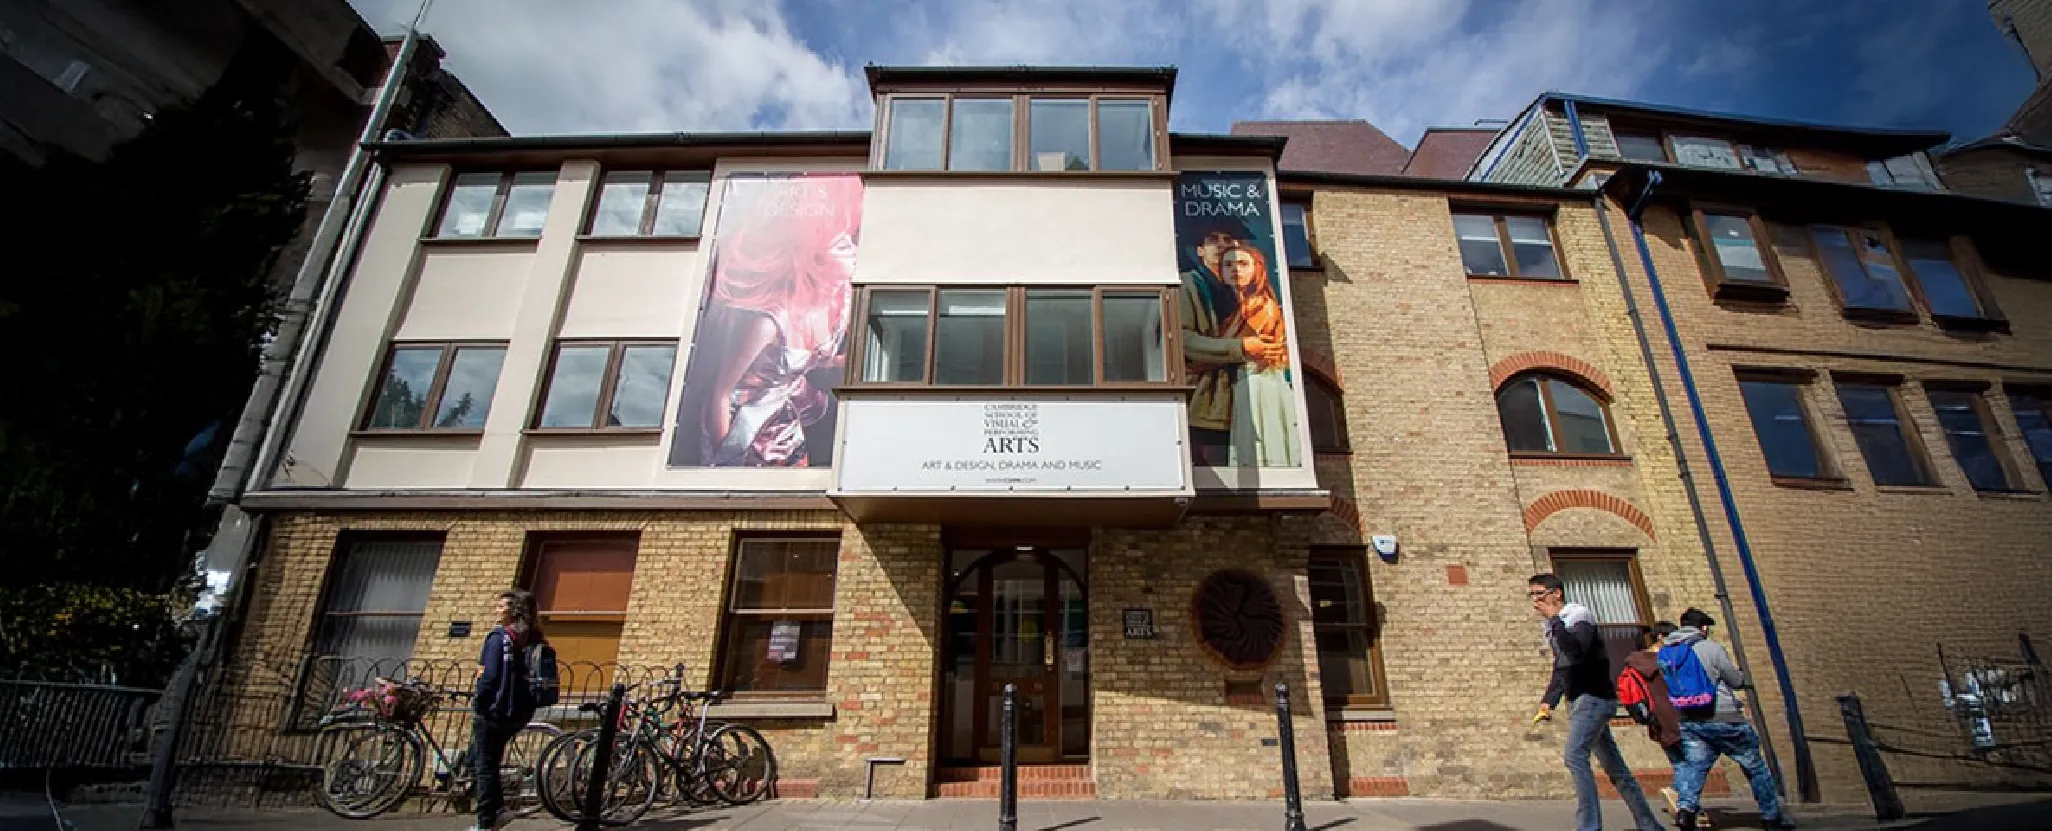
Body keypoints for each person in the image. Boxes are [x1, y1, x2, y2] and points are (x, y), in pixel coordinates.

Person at [670, 175, 862, 468]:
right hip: (744, 432)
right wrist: (724, 465)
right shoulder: (767, 322)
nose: (851, 248)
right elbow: (721, 394)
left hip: (787, 421)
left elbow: (810, 361)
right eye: (841, 242)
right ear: (813, 254)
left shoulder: (832, 304)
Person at [1529, 574, 1665, 831]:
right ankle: (1649, 825)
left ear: (1556, 593)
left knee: (1574, 756)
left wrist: (1554, 618)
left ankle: (1589, 826)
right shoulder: (1554, 625)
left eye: (1540, 594)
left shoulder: (1578, 616)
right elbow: (1562, 666)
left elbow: (1576, 653)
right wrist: (1549, 701)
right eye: (1532, 595)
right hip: (1580, 699)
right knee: (1616, 769)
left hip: (1594, 697)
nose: (1536, 601)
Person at [1662, 608, 1794, 831]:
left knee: (1695, 768)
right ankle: (1771, 817)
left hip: (1690, 719)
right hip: (1724, 717)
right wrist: (1741, 676)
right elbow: (1735, 680)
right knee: (1755, 766)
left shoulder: (1669, 652)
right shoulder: (1710, 648)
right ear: (1703, 627)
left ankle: (1685, 812)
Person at [1215, 242, 1301, 468]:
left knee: (1263, 447)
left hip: (1260, 384)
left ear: (1257, 269)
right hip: (1247, 382)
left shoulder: (1263, 305)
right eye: (1228, 264)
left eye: (1243, 264)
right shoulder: (1237, 308)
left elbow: (1230, 347)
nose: (1235, 269)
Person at [470, 590, 543, 831]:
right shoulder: (529, 638)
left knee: (484, 767)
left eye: (501, 606)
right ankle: (499, 810)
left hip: (495, 709)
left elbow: (489, 676)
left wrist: (479, 702)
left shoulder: (499, 637)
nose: (496, 610)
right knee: (489, 762)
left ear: (513, 611)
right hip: (518, 712)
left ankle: (485, 823)